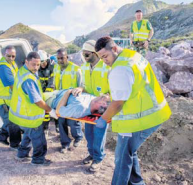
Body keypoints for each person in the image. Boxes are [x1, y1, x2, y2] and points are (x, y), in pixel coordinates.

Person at [94, 36, 171, 185]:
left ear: (114, 49)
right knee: (129, 152)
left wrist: (103, 119)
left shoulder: (120, 69)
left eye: (105, 56)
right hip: (154, 111)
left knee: (122, 158)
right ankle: (137, 182)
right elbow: (135, 85)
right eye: (101, 58)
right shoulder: (131, 55)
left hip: (139, 120)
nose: (104, 61)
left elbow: (118, 104)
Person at [71, 40, 111, 172]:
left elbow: (115, 88)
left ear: (95, 53)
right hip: (89, 105)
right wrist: (80, 89)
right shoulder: (84, 68)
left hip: (103, 106)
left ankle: (98, 158)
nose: (84, 58)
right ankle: (92, 153)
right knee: (88, 133)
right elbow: (86, 87)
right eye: (83, 55)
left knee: (99, 133)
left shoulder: (107, 67)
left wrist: (107, 95)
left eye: (87, 55)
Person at [9, 52, 54, 166]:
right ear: (26, 61)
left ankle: (21, 154)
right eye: (33, 64)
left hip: (20, 116)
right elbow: (37, 101)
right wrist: (50, 110)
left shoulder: (22, 71)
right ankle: (38, 160)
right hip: (30, 116)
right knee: (39, 139)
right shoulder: (28, 79)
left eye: (38, 65)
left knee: (28, 135)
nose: (36, 67)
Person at [53, 48, 83, 153]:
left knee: (73, 121)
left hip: (72, 100)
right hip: (60, 99)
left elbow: (81, 86)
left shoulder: (76, 69)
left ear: (67, 57)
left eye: (62, 58)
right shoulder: (56, 68)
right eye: (58, 58)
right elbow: (55, 84)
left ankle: (78, 137)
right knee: (61, 121)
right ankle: (65, 143)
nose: (60, 60)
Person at [0, 45, 21, 150]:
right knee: (12, 122)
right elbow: (12, 86)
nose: (11, 58)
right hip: (2, 101)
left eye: (13, 56)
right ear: (4, 54)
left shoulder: (11, 64)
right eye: (9, 56)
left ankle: (1, 137)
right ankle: (15, 144)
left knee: (8, 121)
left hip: (5, 99)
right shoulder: (4, 67)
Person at [38, 50, 59, 134]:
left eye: (44, 62)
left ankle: (57, 126)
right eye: (41, 63)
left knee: (55, 107)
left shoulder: (53, 67)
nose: (42, 64)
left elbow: (52, 81)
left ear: (47, 60)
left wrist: (47, 93)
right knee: (44, 109)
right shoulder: (38, 67)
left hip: (52, 90)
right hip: (43, 90)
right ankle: (45, 126)